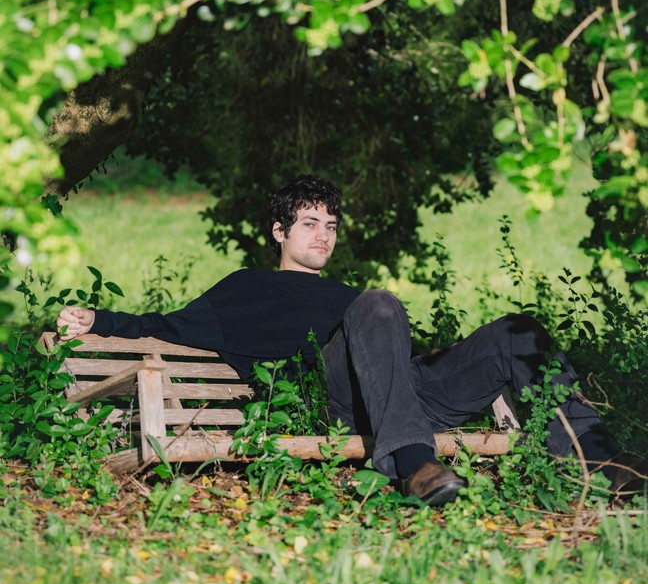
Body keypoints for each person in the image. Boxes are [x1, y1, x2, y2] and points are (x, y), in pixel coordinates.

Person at [57, 174, 647, 505]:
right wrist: (97, 320)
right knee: (379, 302)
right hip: (336, 397)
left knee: (517, 331)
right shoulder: (245, 288)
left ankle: (604, 460)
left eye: (331, 226)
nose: (323, 235)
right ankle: (416, 466)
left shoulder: (347, 295)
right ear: (279, 231)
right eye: (310, 224)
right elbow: (166, 326)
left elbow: (396, 354)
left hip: (400, 390)